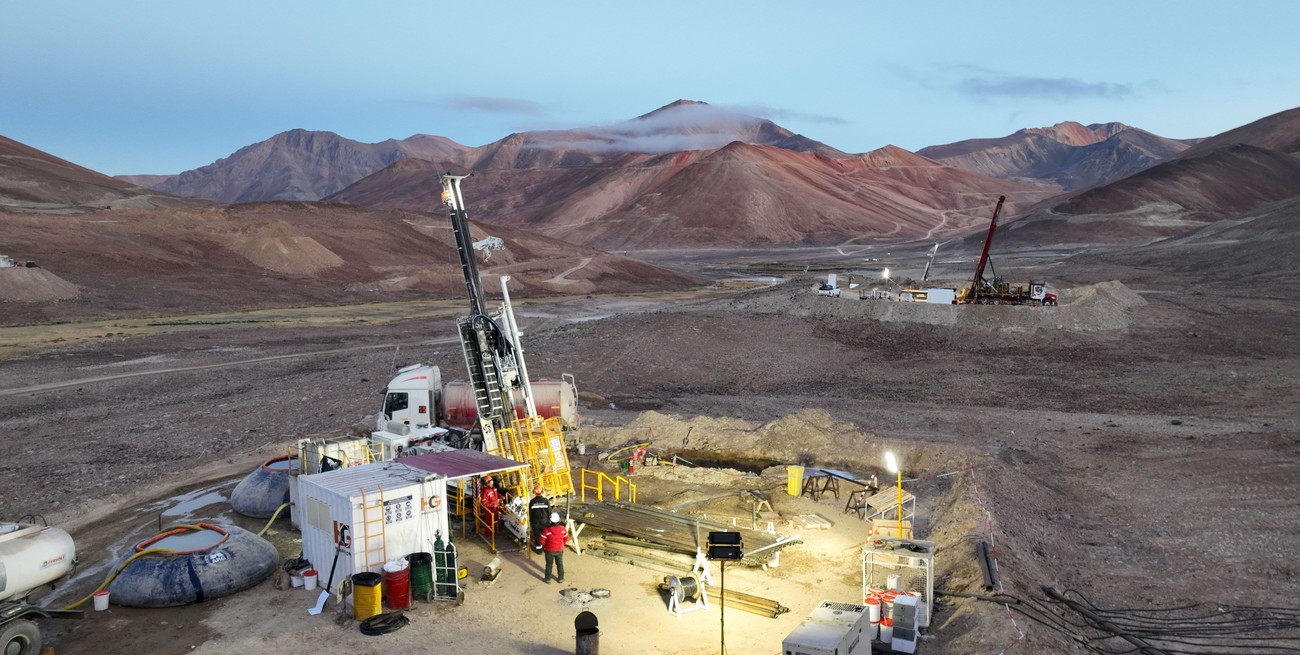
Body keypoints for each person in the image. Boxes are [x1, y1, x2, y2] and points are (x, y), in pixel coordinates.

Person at [540, 512, 569, 583]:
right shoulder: (563, 529)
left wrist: (545, 546)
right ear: (558, 520)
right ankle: (561, 578)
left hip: (549, 550)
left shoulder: (546, 530)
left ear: (550, 520)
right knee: (560, 563)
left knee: (549, 564)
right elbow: (566, 538)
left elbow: (542, 541)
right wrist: (562, 544)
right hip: (559, 549)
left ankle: (547, 579)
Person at [528, 485, 551, 554]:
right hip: (545, 522)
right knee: (546, 536)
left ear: (534, 492)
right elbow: (549, 512)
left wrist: (531, 521)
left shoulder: (532, 502)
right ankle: (547, 549)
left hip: (536, 523)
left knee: (537, 537)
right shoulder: (546, 501)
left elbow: (530, 513)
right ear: (542, 492)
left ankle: (539, 550)